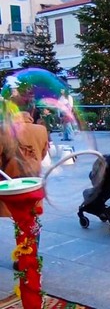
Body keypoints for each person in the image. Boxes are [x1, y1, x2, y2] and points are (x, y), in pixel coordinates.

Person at [0, 88, 48, 270]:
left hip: (13, 185)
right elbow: (42, 155)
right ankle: (31, 256)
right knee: (32, 220)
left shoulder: (3, 130)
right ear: (31, 110)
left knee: (20, 221)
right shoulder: (41, 129)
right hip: (34, 182)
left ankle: (24, 259)